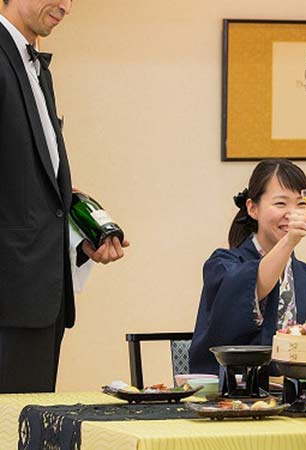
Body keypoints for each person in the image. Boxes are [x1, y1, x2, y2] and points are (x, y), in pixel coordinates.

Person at [0, 0, 129, 393]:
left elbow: (30, 184)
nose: (67, 6)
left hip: (38, 296)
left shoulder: (35, 66)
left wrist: (80, 233)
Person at [190, 159, 306, 374]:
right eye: (280, 204)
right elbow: (251, 286)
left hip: (300, 398)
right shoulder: (223, 265)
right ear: (253, 208)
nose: (292, 214)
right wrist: (290, 240)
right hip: (235, 398)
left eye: (301, 204)